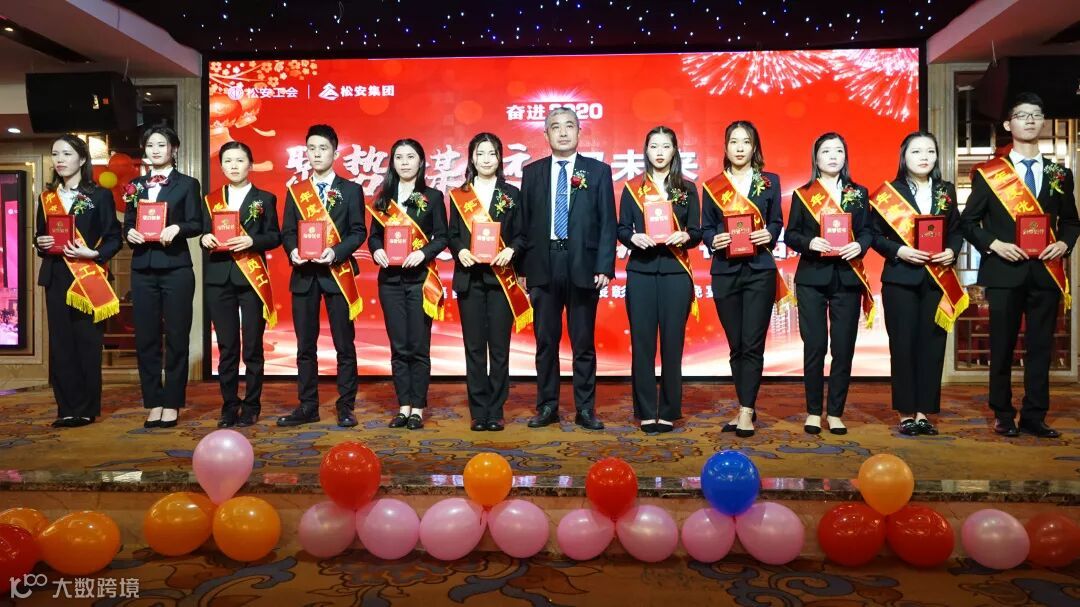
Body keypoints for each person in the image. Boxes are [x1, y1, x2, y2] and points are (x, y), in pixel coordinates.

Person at [960, 92, 1079, 438]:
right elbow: (968, 222)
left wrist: (1063, 243)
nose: (1030, 120)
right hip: (1003, 272)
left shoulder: (1060, 173)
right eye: (1022, 115)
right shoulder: (989, 174)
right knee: (1001, 346)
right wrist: (994, 244)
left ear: (1042, 122)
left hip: (1045, 272)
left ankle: (1034, 415)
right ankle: (1002, 413)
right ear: (1008, 124)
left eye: (1036, 115)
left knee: (1041, 347)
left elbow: (1072, 221)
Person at [519, 107, 616, 430]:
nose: (563, 132)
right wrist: (523, 269)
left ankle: (585, 408)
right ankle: (547, 406)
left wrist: (604, 266)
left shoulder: (597, 171)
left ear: (579, 132)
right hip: (543, 264)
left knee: (583, 342)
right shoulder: (532, 173)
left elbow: (607, 222)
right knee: (545, 342)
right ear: (546, 134)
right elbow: (524, 224)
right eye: (555, 127)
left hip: (583, 266)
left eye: (569, 126)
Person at [869, 132, 966, 436]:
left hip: (936, 279)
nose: (924, 157)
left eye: (930, 151)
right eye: (916, 151)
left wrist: (952, 250)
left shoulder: (946, 190)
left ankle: (924, 412)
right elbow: (874, 236)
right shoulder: (888, 193)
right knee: (903, 346)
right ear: (904, 157)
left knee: (932, 345)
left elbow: (957, 229)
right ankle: (905, 413)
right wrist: (899, 251)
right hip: (901, 278)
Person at [701, 121, 787, 438]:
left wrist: (770, 234)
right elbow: (705, 228)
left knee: (752, 343)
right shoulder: (712, 186)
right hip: (725, 271)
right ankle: (743, 404)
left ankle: (747, 410)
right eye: (734, 141)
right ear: (725, 147)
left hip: (759, 270)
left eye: (746, 142)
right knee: (736, 345)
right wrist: (714, 239)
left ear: (754, 147)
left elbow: (777, 221)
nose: (739, 147)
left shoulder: (769, 182)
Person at [784, 132, 874, 436]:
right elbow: (791, 234)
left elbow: (868, 232)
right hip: (812, 278)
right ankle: (813, 411)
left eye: (838, 151)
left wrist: (859, 245)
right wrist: (810, 242)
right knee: (815, 346)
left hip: (847, 278)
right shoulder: (803, 194)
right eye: (826, 151)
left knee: (843, 347)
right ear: (816, 157)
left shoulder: (858, 193)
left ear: (845, 157)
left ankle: (835, 412)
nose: (833, 156)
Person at [278, 124, 366, 428]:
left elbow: (358, 232)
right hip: (304, 275)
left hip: (337, 273)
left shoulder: (351, 190)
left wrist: (336, 252)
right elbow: (288, 231)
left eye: (323, 148)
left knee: (344, 344)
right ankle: (308, 406)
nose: (317, 154)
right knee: (305, 346)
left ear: (335, 153)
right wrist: (293, 251)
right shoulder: (296, 191)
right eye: (311, 148)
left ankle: (346, 406)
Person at [616, 126, 700, 433]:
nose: (660, 152)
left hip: (676, 273)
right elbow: (621, 228)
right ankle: (646, 409)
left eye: (666, 146)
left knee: (672, 344)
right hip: (641, 272)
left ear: (675, 150)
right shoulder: (632, 188)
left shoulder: (687, 188)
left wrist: (686, 236)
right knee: (642, 344)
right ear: (646, 151)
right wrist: (632, 237)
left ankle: (668, 409)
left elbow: (697, 231)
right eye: (654, 146)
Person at [34, 134, 121, 427]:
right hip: (56, 276)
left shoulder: (99, 195)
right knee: (61, 344)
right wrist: (40, 242)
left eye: (67, 154)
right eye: (56, 154)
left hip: (87, 277)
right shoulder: (46, 198)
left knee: (87, 343)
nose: (60, 160)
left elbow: (114, 238)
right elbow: (40, 237)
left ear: (82, 159)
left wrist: (93, 253)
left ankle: (86, 408)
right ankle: (66, 408)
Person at [448, 133, 530, 432]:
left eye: (491, 153)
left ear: (499, 158)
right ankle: (478, 411)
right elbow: (452, 234)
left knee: (499, 348)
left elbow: (522, 234)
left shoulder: (512, 193)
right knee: (473, 348)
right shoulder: (459, 195)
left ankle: (496, 410)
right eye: (480, 153)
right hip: (470, 279)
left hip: (500, 280)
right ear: (471, 158)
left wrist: (512, 250)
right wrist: (461, 250)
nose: (486, 159)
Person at [123, 126, 201, 429]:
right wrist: (129, 232)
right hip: (143, 269)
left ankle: (172, 402)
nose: (155, 150)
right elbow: (128, 223)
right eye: (150, 145)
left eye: (161, 145)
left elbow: (196, 222)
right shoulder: (135, 185)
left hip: (176, 268)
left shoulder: (187, 184)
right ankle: (153, 402)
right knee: (146, 338)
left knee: (178, 337)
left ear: (174, 149)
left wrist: (177, 228)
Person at [367, 139, 448, 430]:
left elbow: (442, 237)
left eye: (410, 157)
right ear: (392, 163)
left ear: (421, 162)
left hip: (420, 280)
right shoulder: (383, 198)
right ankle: (403, 406)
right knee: (399, 346)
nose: (404, 162)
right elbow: (374, 236)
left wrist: (423, 253)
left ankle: (418, 408)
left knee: (418, 346)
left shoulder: (432, 196)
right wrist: (376, 249)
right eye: (399, 157)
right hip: (390, 281)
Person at [200, 141, 281, 428]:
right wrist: (204, 239)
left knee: (253, 347)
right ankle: (229, 405)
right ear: (221, 166)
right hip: (218, 278)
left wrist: (252, 240)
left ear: (250, 164)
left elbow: (275, 236)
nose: (233, 166)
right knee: (227, 346)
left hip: (251, 279)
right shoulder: (210, 200)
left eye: (239, 160)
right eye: (228, 161)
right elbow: (203, 233)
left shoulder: (265, 198)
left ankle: (252, 405)